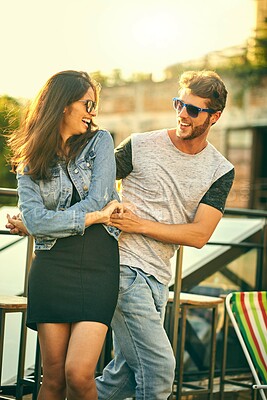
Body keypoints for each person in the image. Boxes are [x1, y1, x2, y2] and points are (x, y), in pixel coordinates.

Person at [95, 70, 235, 400]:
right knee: (159, 369)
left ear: (214, 117)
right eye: (179, 104)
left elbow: (200, 234)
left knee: (124, 377)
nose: (182, 114)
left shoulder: (220, 170)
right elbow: (89, 184)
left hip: (159, 277)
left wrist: (139, 224)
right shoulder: (140, 144)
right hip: (122, 268)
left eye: (193, 110)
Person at [6, 70, 123, 400]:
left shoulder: (100, 142)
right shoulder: (30, 159)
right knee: (53, 377)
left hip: (98, 264)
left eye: (95, 105)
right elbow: (36, 222)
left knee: (79, 373)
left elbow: (99, 198)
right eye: (87, 103)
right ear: (62, 105)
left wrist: (86, 214)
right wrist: (96, 217)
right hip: (51, 266)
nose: (92, 112)